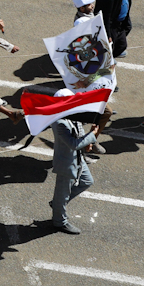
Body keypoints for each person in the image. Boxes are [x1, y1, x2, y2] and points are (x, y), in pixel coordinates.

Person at [50, 92, 111, 234]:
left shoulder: (71, 115)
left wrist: (89, 139)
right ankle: (60, 221)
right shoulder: (59, 122)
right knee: (62, 193)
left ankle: (58, 205)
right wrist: (92, 136)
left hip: (77, 158)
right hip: (66, 162)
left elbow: (79, 129)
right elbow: (73, 144)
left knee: (87, 181)